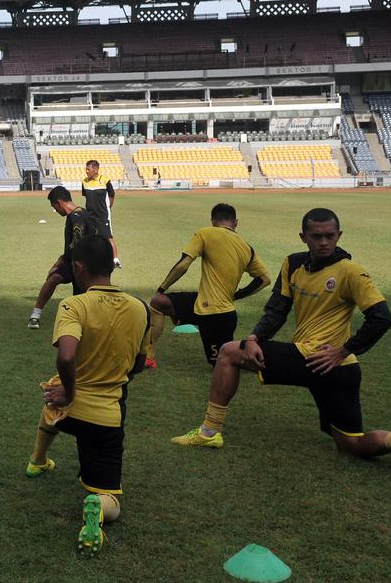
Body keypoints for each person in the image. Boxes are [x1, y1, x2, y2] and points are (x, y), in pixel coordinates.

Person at [171, 208, 391, 482]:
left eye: (330, 235)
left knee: (229, 351)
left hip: (325, 360)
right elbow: (277, 310)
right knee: (350, 444)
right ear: (303, 236)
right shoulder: (293, 264)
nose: (324, 242)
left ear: (339, 235)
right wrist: (256, 338)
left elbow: (381, 318)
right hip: (333, 368)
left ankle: (209, 432)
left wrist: (343, 350)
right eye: (316, 236)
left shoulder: (351, 272)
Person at [24, 235, 150, 556]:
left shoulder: (73, 305)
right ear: (111, 266)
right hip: (106, 419)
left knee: (53, 388)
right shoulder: (140, 309)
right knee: (110, 499)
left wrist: (68, 391)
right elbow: (138, 363)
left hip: (68, 413)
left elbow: (66, 357)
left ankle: (37, 460)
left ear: (79, 268)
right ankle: (97, 505)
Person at [149, 203, 270, 369]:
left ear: (213, 221)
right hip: (218, 310)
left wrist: (161, 288)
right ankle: (149, 356)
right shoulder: (246, 247)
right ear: (235, 223)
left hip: (213, 316)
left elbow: (183, 264)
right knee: (159, 302)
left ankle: (264, 358)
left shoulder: (206, 233)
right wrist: (237, 295)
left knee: (225, 362)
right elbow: (264, 279)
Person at [28, 185, 102, 330]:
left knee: (78, 295)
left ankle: (88, 322)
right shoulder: (82, 213)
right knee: (54, 278)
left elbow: (76, 243)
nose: (56, 211)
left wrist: (62, 260)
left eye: (55, 207)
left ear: (60, 203)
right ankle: (35, 315)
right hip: (76, 262)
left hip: (82, 265)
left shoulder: (77, 217)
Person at [81, 160, 121, 268]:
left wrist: (108, 208)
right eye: (86, 169)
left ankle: (115, 259)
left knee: (108, 237)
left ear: (96, 169)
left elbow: (112, 195)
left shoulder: (105, 180)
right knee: (89, 236)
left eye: (88, 169)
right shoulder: (84, 182)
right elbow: (87, 197)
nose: (87, 171)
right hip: (89, 215)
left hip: (103, 215)